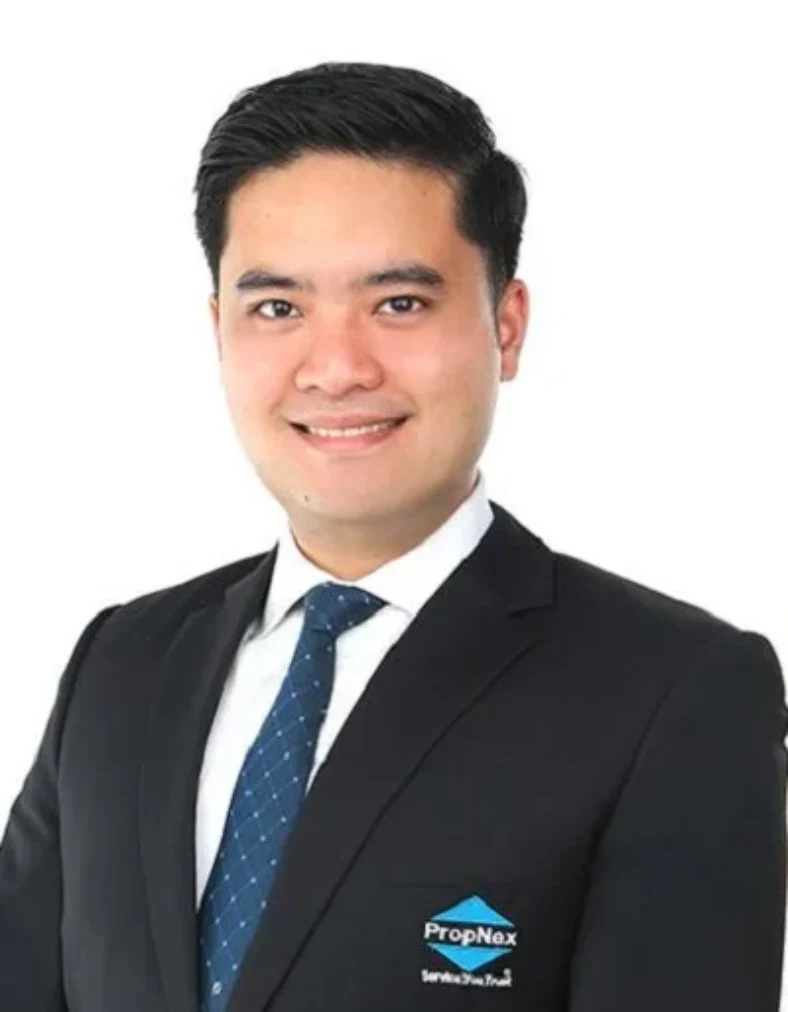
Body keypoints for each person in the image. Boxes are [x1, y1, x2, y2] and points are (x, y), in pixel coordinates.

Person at [0, 60, 785, 1012]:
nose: (335, 368)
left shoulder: (674, 692)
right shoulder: (121, 662)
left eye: (399, 303)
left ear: (506, 326)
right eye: (277, 308)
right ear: (219, 331)